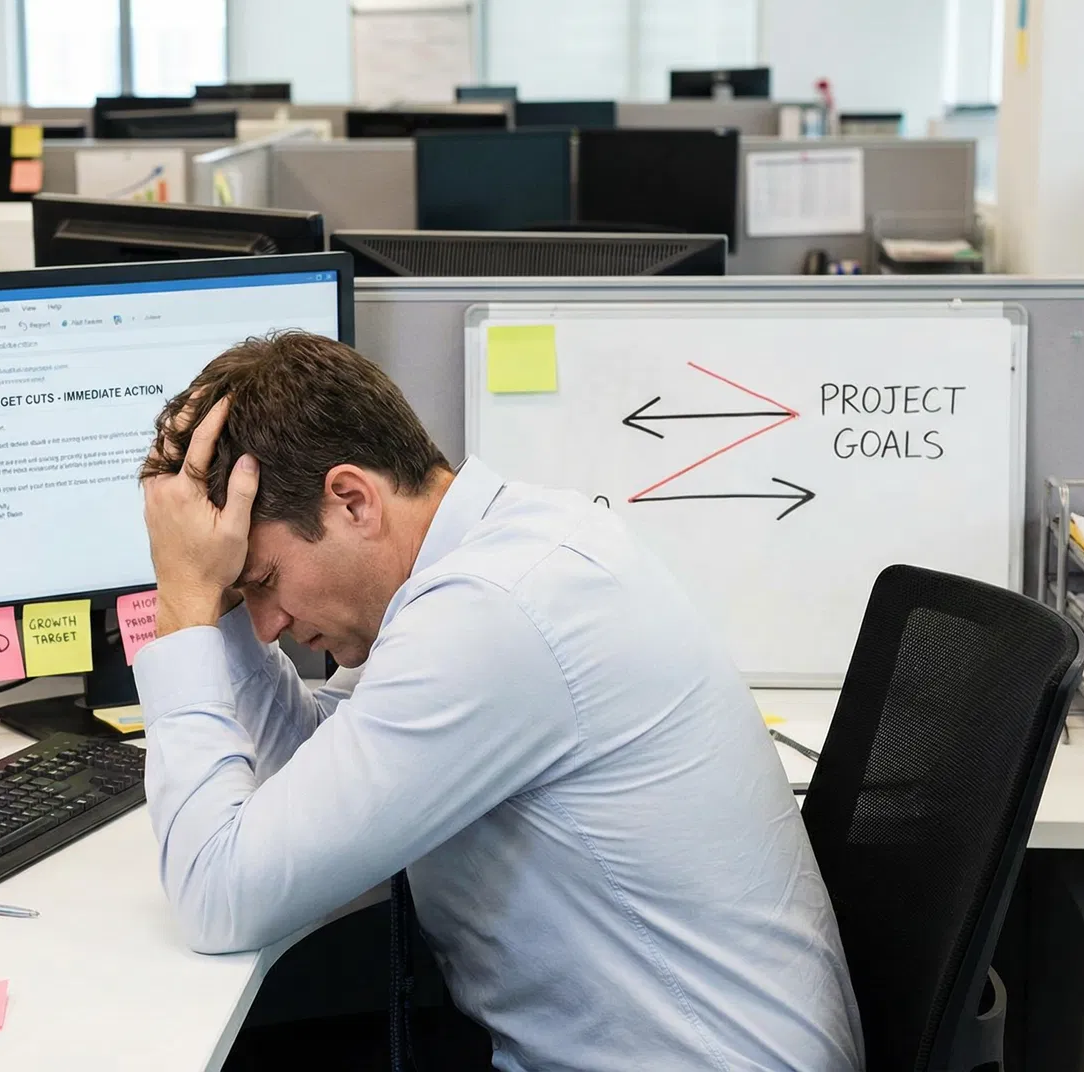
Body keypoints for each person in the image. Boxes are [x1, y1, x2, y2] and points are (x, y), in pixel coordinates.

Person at [134, 330, 863, 1071]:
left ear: (352, 500)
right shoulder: (500, 551)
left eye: (261, 582)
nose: (269, 625)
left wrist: (183, 605)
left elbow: (217, 896)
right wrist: (217, 606)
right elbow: (309, 771)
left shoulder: (492, 614)